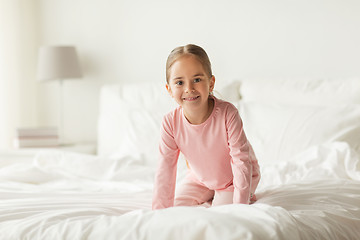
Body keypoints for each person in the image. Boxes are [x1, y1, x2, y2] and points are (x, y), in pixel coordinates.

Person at [152, 44, 260, 210]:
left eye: (197, 80)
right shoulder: (170, 123)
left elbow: (241, 162)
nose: (189, 89)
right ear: (170, 90)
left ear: (211, 83)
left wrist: (241, 206)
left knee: (220, 213)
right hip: (199, 178)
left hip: (233, 179)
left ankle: (236, 196)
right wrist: (158, 214)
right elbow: (165, 171)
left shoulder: (228, 113)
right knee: (175, 208)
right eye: (180, 82)